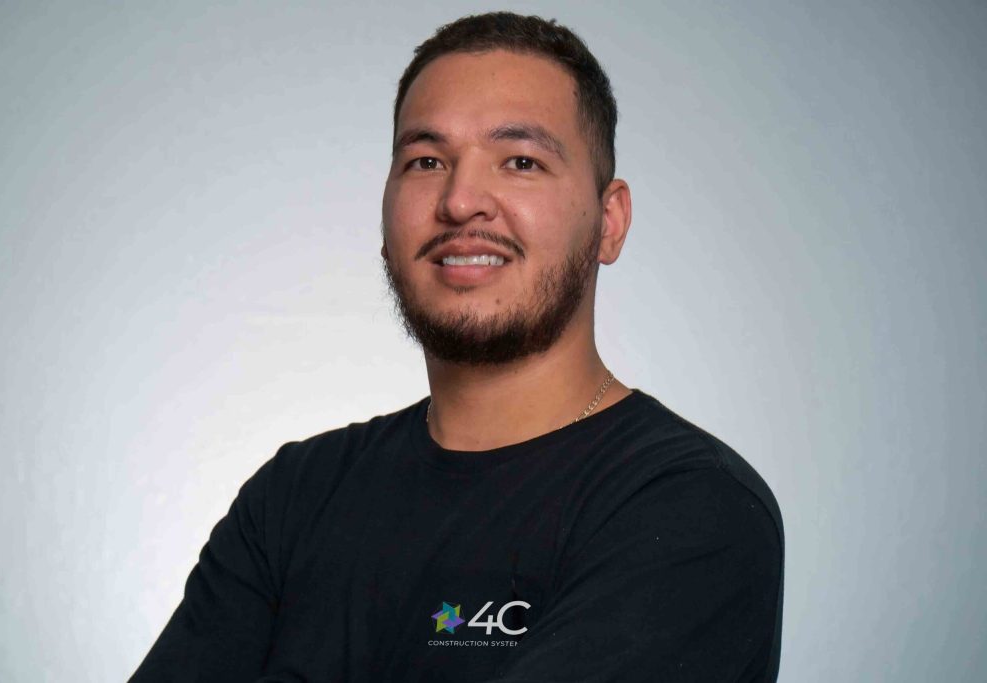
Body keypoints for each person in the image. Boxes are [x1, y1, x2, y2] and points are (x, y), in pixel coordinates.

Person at [129, 11, 783, 682]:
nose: (461, 200)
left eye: (521, 161)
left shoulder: (692, 507)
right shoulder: (295, 495)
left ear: (609, 222)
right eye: (427, 161)